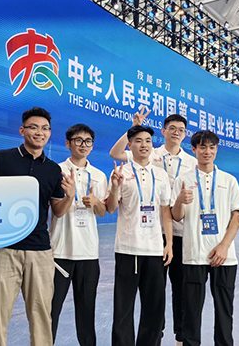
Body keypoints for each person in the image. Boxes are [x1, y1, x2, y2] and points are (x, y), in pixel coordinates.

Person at [0, 107, 75, 346]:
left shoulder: (53, 170)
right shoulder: (1, 159)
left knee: (41, 316)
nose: (39, 133)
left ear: (50, 133)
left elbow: (58, 211)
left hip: (40, 252)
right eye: (33, 127)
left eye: (45, 129)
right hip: (3, 249)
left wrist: (70, 197)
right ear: (22, 130)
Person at [110, 108, 197, 345]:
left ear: (185, 134)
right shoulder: (150, 154)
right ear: (163, 131)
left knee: (174, 292)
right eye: (172, 128)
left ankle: (180, 337)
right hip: (141, 239)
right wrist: (134, 128)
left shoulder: (191, 162)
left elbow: (170, 208)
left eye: (181, 130)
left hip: (176, 235)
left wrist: (169, 242)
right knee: (135, 302)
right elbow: (116, 153)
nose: (176, 133)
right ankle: (152, 338)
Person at [171, 130, 239, 346]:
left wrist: (224, 246)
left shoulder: (229, 180)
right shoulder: (183, 180)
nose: (207, 151)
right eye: (202, 147)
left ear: (216, 150)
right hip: (194, 254)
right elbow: (176, 216)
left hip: (224, 256)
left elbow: (237, 215)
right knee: (191, 311)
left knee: (224, 310)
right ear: (194, 149)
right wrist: (180, 200)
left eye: (212, 147)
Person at [106, 125, 174, 346]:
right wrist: (114, 187)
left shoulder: (161, 174)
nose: (144, 145)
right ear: (130, 145)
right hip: (128, 249)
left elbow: (166, 212)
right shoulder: (121, 172)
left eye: (147, 141)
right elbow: (111, 208)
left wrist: (169, 243)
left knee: (154, 308)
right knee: (123, 308)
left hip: (154, 249)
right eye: (138, 140)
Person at [50, 124, 108, 346]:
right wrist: (69, 196)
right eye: (78, 140)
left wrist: (95, 202)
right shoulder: (57, 171)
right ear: (68, 143)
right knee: (51, 311)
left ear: (92, 146)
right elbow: (57, 211)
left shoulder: (99, 176)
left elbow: (102, 211)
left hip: (88, 254)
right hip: (60, 252)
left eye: (88, 141)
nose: (83, 145)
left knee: (86, 312)